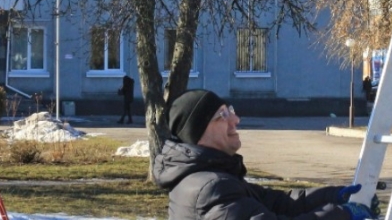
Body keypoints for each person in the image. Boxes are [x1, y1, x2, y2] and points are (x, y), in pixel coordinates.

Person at [153, 89, 378, 220]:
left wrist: (334, 196)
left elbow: (279, 203)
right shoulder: (211, 187)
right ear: (199, 134)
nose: (235, 119)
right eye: (222, 115)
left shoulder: (212, 177)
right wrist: (341, 215)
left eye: (229, 110)